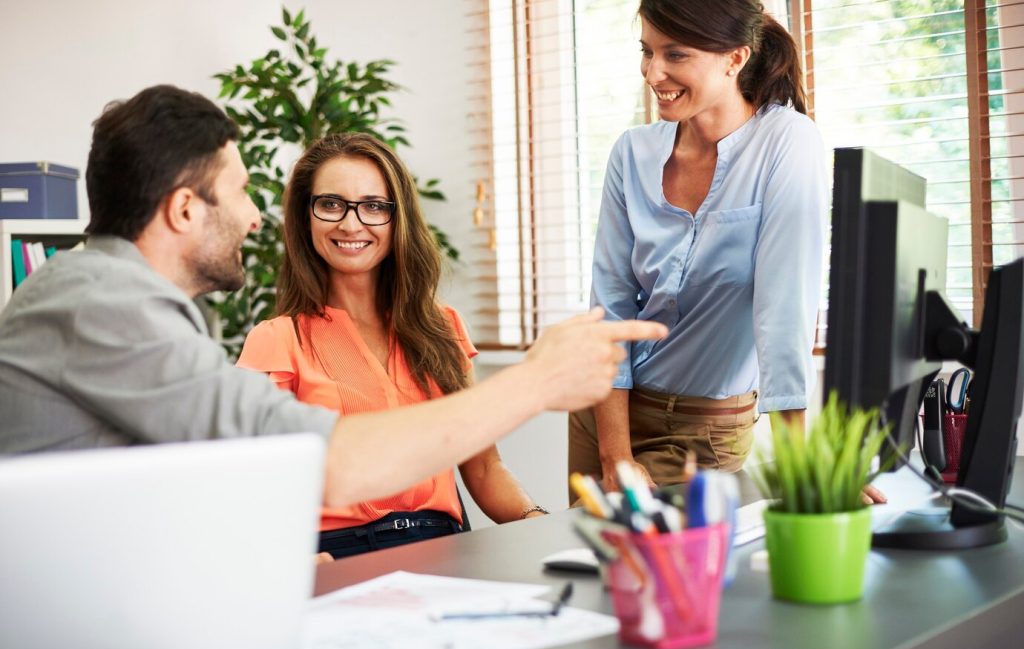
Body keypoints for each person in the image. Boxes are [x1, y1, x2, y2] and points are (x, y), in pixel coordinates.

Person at [0, 85, 668, 522]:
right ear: (182, 209)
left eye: (374, 206)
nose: (257, 217)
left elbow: (205, 490)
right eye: (240, 191)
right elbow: (321, 465)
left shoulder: (114, 301)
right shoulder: (104, 307)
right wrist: (537, 379)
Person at [568, 0, 885, 505]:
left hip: (700, 428)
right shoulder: (632, 152)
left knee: (677, 580)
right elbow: (610, 305)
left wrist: (806, 465)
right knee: (603, 577)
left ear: (735, 58)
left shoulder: (786, 141)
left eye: (676, 54)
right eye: (647, 52)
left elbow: (783, 309)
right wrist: (616, 454)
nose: (654, 72)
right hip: (605, 416)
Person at [236, 133, 546, 558]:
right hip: (340, 555)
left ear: (397, 218)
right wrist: (290, 559)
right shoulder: (276, 340)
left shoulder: (442, 326)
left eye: (373, 206)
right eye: (331, 204)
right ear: (305, 216)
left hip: (444, 548)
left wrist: (541, 523)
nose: (350, 223)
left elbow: (486, 468)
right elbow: (254, 485)